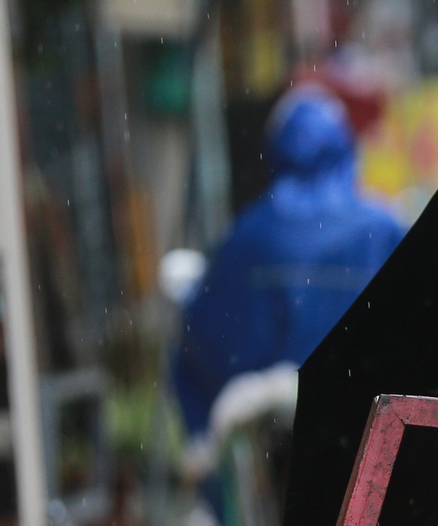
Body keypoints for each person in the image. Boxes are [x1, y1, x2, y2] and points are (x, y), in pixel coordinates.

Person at [172, 86, 405, 466]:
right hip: (376, 441)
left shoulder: (247, 236)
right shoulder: (385, 229)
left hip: (276, 456)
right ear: (346, 149)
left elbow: (204, 344)